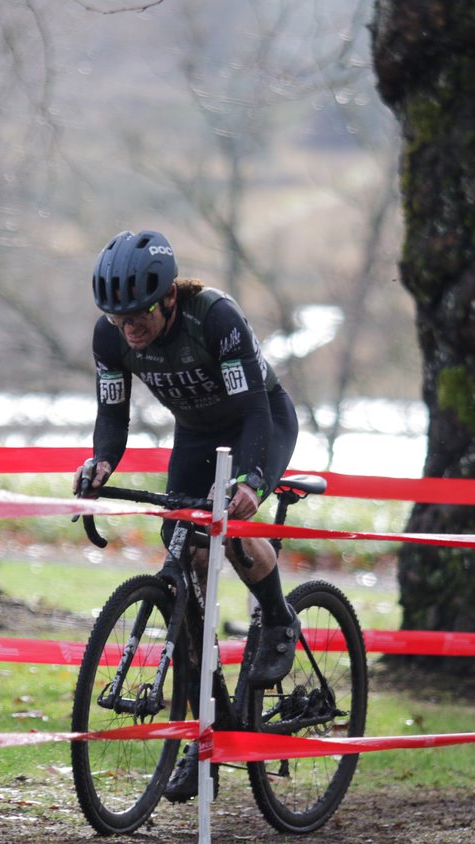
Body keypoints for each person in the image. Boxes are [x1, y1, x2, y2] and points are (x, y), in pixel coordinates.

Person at [75, 228, 300, 802]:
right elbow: (112, 414)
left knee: (228, 532)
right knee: (182, 553)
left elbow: (252, 410)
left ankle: (277, 618)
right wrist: (100, 463)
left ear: (168, 297)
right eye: (117, 317)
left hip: (260, 425)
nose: (128, 328)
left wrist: (251, 481)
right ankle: (206, 734)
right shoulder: (111, 337)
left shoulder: (214, 317)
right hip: (197, 436)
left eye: (138, 316)